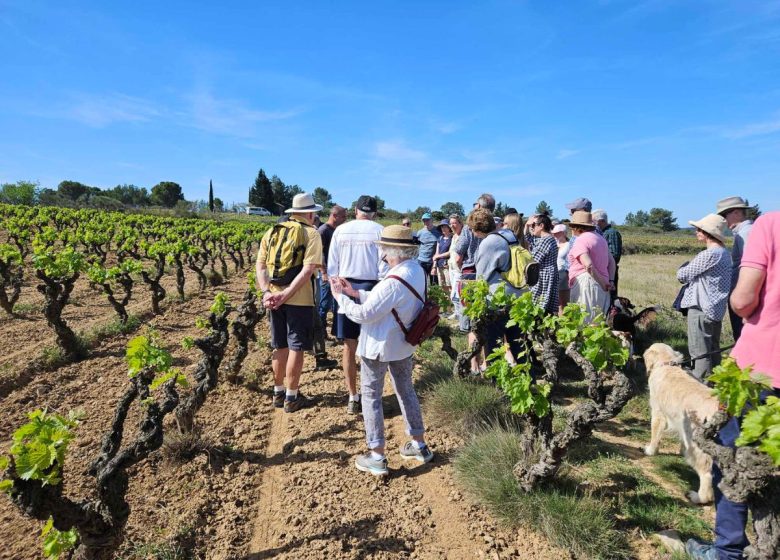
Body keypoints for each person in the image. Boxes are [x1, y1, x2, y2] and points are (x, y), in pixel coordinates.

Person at [686, 211, 780, 560]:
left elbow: (741, 300)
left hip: (763, 366)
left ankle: (727, 551)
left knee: (734, 458)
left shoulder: (770, 225)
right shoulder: (725, 252)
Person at [330, 225, 433, 476]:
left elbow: (365, 315)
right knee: (406, 390)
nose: (383, 256)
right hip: (403, 344)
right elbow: (385, 301)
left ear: (394, 251)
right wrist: (355, 292)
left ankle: (377, 456)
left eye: (384, 251)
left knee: (371, 397)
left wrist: (341, 298)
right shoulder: (416, 271)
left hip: (378, 346)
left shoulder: (394, 280)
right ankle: (419, 445)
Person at [256, 193, 323, 413]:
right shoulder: (311, 234)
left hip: (273, 299)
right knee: (297, 347)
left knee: (279, 345)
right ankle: (292, 397)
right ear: (311, 213)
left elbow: (261, 266)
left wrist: (267, 292)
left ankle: (277, 392)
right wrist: (287, 294)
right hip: (300, 300)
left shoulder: (272, 232)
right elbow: (307, 271)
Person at [327, 195, 387, 414]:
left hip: (345, 287)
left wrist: (339, 295)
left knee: (349, 346)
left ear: (355, 210)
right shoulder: (380, 230)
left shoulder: (340, 231)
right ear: (374, 212)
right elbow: (384, 268)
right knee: (373, 345)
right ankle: (373, 395)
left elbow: (332, 268)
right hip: (372, 289)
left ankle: (353, 396)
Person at [469, 208, 527, 365]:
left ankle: (497, 383)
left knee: (493, 344)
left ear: (478, 228)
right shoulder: (508, 235)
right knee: (517, 343)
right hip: (518, 294)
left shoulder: (489, 243)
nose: (472, 233)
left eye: (472, 229)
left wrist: (476, 302)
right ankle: (527, 379)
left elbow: (482, 277)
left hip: (498, 300)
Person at [676, 214, 731, 379]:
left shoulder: (709, 254)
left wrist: (683, 268)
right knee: (713, 351)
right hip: (715, 309)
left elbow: (682, 276)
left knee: (700, 353)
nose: (696, 232)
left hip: (701, 309)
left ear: (708, 233)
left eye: (699, 229)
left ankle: (702, 389)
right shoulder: (724, 253)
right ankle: (717, 390)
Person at [454, 194, 496, 372]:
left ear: (478, 205)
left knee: (472, 324)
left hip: (470, 276)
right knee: (487, 322)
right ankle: (488, 364)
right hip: (490, 276)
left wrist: (462, 268)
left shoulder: (469, 227)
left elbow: (457, 255)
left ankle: (474, 365)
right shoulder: (495, 226)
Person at [716, 196, 754, 342]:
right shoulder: (742, 233)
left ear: (737, 213)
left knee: (743, 339)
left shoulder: (746, 233)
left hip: (744, 295)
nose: (724, 221)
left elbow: (751, 267)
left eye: (724, 216)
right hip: (742, 293)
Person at [568, 210, 614, 324]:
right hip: (602, 285)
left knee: (585, 323)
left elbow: (588, 265)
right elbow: (612, 262)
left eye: (572, 227)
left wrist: (603, 283)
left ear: (577, 227)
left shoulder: (581, 240)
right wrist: (610, 281)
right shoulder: (600, 239)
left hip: (587, 283)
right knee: (598, 322)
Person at [317, 205, 347, 332]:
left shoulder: (337, 230)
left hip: (336, 274)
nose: (345, 219)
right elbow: (319, 253)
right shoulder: (323, 230)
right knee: (324, 304)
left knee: (337, 304)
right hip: (327, 274)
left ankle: (336, 332)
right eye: (343, 216)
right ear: (334, 216)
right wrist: (323, 272)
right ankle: (320, 333)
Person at [524, 213, 559, 314]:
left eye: (534, 225)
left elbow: (534, 260)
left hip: (544, 276)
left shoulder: (546, 240)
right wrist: (527, 225)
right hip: (546, 274)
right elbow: (527, 237)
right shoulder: (545, 239)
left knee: (540, 305)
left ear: (541, 226)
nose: (532, 228)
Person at [592, 209, 622, 299]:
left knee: (609, 299)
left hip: (609, 273)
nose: (592, 224)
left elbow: (614, 255)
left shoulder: (611, 233)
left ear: (601, 221)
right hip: (603, 272)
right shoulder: (601, 233)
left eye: (594, 221)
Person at [416, 213, 442, 283]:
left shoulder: (438, 231)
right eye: (424, 220)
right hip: (421, 261)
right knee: (421, 282)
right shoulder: (420, 232)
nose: (426, 222)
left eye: (427, 220)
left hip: (433, 262)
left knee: (434, 284)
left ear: (432, 220)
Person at [447, 214, 464, 319]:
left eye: (455, 223)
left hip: (459, 269)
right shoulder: (454, 236)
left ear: (460, 223)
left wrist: (459, 264)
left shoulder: (463, 236)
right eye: (451, 223)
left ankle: (460, 314)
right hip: (452, 267)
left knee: (456, 293)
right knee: (453, 290)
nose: (452, 225)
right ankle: (457, 312)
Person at [552, 223, 570, 314]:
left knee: (564, 303)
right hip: (554, 273)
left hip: (564, 274)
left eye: (557, 233)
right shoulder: (554, 244)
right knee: (556, 303)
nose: (555, 235)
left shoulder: (569, 245)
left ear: (563, 233)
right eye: (554, 233)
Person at [432, 219, 453, 290]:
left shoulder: (452, 238)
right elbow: (436, 253)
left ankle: (451, 301)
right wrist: (434, 266)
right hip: (439, 265)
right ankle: (445, 301)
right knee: (442, 286)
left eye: (445, 226)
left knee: (449, 285)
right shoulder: (440, 238)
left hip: (447, 266)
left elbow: (450, 252)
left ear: (449, 228)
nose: (443, 228)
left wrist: (438, 256)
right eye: (442, 227)